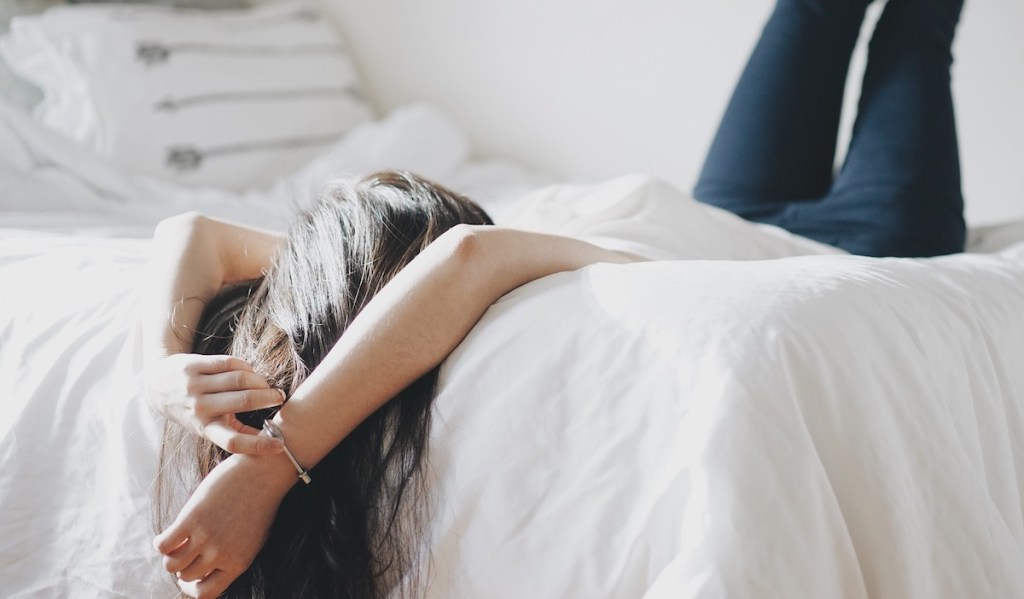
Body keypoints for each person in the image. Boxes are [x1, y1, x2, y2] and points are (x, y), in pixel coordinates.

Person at [145, 0, 967, 597]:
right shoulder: (516, 267)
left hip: (724, 204)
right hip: (859, 235)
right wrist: (270, 470)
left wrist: (164, 366)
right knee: (918, 29)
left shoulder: (405, 277)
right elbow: (468, 254)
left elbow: (194, 233)